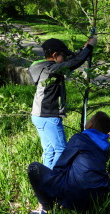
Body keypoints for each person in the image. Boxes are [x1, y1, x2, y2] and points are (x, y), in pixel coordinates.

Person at [27, 111, 110, 214]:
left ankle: (46, 211)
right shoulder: (105, 146)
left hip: (74, 197)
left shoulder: (80, 138)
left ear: (90, 125)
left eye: (90, 119)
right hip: (94, 199)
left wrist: (51, 186)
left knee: (34, 167)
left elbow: (61, 165)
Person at [29, 36, 97, 169]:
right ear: (55, 55)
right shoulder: (52, 69)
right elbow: (74, 63)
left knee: (49, 150)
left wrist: (83, 48)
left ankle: (44, 179)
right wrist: (90, 47)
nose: (65, 58)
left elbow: (71, 59)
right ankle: (54, 179)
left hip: (37, 115)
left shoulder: (44, 66)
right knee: (61, 150)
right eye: (63, 56)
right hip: (48, 116)